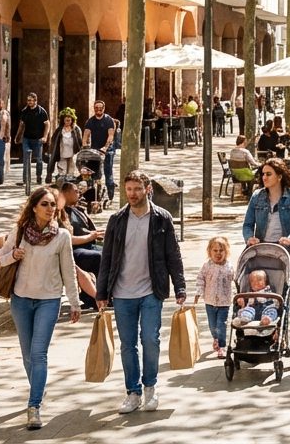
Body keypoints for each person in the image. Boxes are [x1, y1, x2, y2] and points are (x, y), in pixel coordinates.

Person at [96, 170, 187, 414]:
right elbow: (107, 258)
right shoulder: (117, 219)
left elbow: (173, 254)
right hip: (122, 291)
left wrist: (180, 286)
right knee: (128, 345)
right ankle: (132, 392)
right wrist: (101, 292)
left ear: (147, 189)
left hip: (151, 290)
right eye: (129, 190)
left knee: (150, 339)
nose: (132, 194)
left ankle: (150, 387)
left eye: (137, 189)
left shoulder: (161, 218)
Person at [0, 186, 80, 430]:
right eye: (44, 204)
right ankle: (38, 388)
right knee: (27, 355)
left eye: (53, 204)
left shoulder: (62, 236)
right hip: (21, 300)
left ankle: (34, 406)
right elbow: (0, 259)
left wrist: (74, 302)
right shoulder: (20, 231)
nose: (49, 208)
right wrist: (14, 254)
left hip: (49, 300)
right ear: (34, 207)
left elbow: (69, 271)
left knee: (38, 354)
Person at [241, 159, 290, 279]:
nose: (264, 177)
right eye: (263, 174)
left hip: (285, 251)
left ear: (279, 176)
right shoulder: (257, 196)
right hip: (262, 250)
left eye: (268, 174)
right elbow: (247, 224)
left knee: (283, 293)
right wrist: (249, 238)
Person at [57, 181, 104, 310]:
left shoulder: (77, 209)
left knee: (111, 252)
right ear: (65, 193)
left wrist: (96, 234)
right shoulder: (59, 213)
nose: (79, 193)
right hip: (71, 250)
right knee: (98, 257)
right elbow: (68, 239)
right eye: (75, 191)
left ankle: (107, 294)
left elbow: (85, 230)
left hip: (87, 245)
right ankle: (91, 297)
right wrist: (90, 236)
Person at [195, 236, 235, 357]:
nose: (218, 253)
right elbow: (200, 279)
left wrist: (240, 296)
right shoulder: (207, 266)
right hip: (210, 301)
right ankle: (215, 339)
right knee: (212, 325)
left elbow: (235, 280)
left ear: (226, 252)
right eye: (215, 251)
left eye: (221, 251)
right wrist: (198, 292)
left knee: (221, 324)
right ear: (210, 252)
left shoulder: (229, 267)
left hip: (224, 302)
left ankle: (221, 346)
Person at [84, 101, 118, 203]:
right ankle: (93, 195)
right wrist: (84, 145)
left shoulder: (108, 120)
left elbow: (110, 135)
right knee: (93, 173)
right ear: (94, 109)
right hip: (95, 149)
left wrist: (105, 147)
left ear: (104, 108)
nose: (98, 109)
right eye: (96, 107)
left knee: (108, 172)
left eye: (100, 108)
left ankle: (110, 195)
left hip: (107, 149)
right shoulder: (90, 121)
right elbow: (86, 135)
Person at [14, 92, 50, 188]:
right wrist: (17, 137)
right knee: (26, 158)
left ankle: (38, 176)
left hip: (38, 140)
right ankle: (25, 179)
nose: (28, 102)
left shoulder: (41, 111)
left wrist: (45, 136)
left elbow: (47, 124)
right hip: (27, 139)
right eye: (28, 100)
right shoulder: (25, 111)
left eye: (30, 100)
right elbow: (21, 125)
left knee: (39, 159)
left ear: (35, 101)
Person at [48, 110, 83, 180]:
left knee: (71, 168)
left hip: (72, 152)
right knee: (62, 168)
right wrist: (52, 150)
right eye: (66, 120)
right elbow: (54, 139)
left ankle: (69, 181)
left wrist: (80, 148)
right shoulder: (59, 129)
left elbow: (80, 140)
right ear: (63, 120)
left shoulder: (76, 129)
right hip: (62, 152)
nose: (68, 122)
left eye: (69, 120)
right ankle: (62, 181)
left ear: (72, 120)